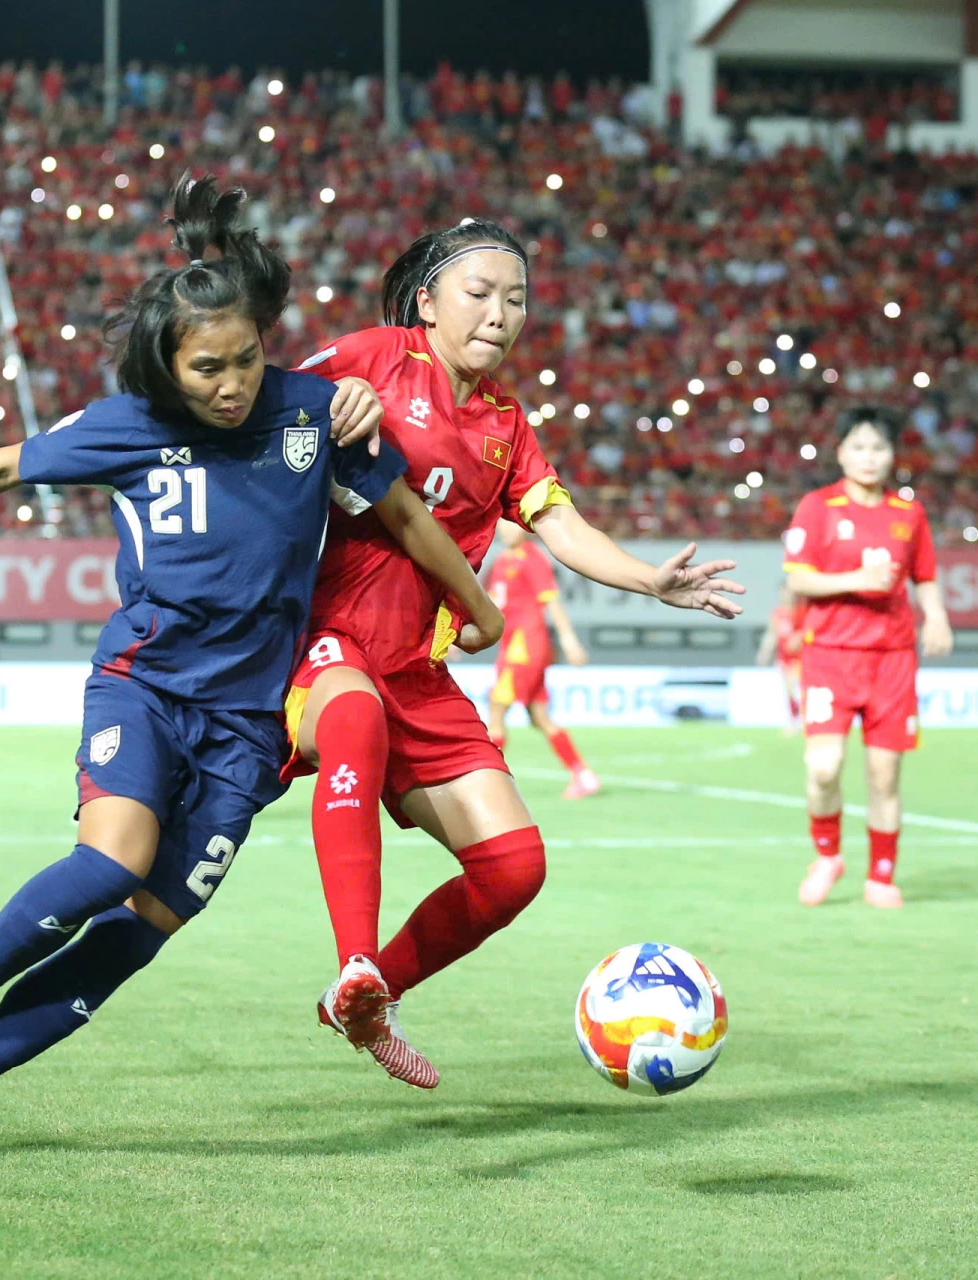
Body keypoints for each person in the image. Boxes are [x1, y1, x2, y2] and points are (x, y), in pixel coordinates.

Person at [0, 175, 501, 1169]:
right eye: (208, 368)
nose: (233, 383)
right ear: (166, 366)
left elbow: (407, 517)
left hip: (248, 731)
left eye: (246, 358)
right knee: (112, 861)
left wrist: (478, 605)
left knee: (134, 937)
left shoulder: (311, 415)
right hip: (146, 685)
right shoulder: (127, 425)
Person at [283, 220, 744, 1087]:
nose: (501, 313)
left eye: (518, 299)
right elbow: (266, 405)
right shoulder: (375, 354)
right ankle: (354, 958)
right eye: (480, 293)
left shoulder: (506, 423)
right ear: (427, 301)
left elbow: (562, 526)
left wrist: (649, 579)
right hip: (324, 636)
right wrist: (331, 402)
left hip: (417, 668)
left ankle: (368, 995)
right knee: (354, 719)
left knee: (513, 867)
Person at [781, 408, 952, 910]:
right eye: (858, 447)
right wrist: (856, 580)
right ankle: (827, 855)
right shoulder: (818, 507)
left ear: (892, 455)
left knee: (884, 775)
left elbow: (924, 575)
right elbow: (798, 578)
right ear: (841, 454)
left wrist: (937, 617)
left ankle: (882, 876)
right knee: (823, 768)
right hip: (830, 656)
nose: (869, 457)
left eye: (878, 447)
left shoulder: (908, 513)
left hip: (892, 659)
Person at [483, 519, 598, 798]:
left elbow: (552, 602)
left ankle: (488, 784)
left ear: (525, 528)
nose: (507, 530)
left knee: (496, 710)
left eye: (512, 524)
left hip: (524, 647)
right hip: (511, 646)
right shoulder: (501, 561)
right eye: (502, 525)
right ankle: (583, 775)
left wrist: (569, 640)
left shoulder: (532, 559)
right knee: (539, 717)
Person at [754, 583, 807, 736]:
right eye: (783, 592)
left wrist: (800, 637)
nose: (786, 596)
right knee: (789, 691)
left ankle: (803, 721)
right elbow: (772, 634)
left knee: (799, 688)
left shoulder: (802, 610)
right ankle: (793, 721)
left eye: (788, 592)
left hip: (801, 657)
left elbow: (811, 629)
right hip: (784, 658)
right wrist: (765, 652)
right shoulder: (777, 613)